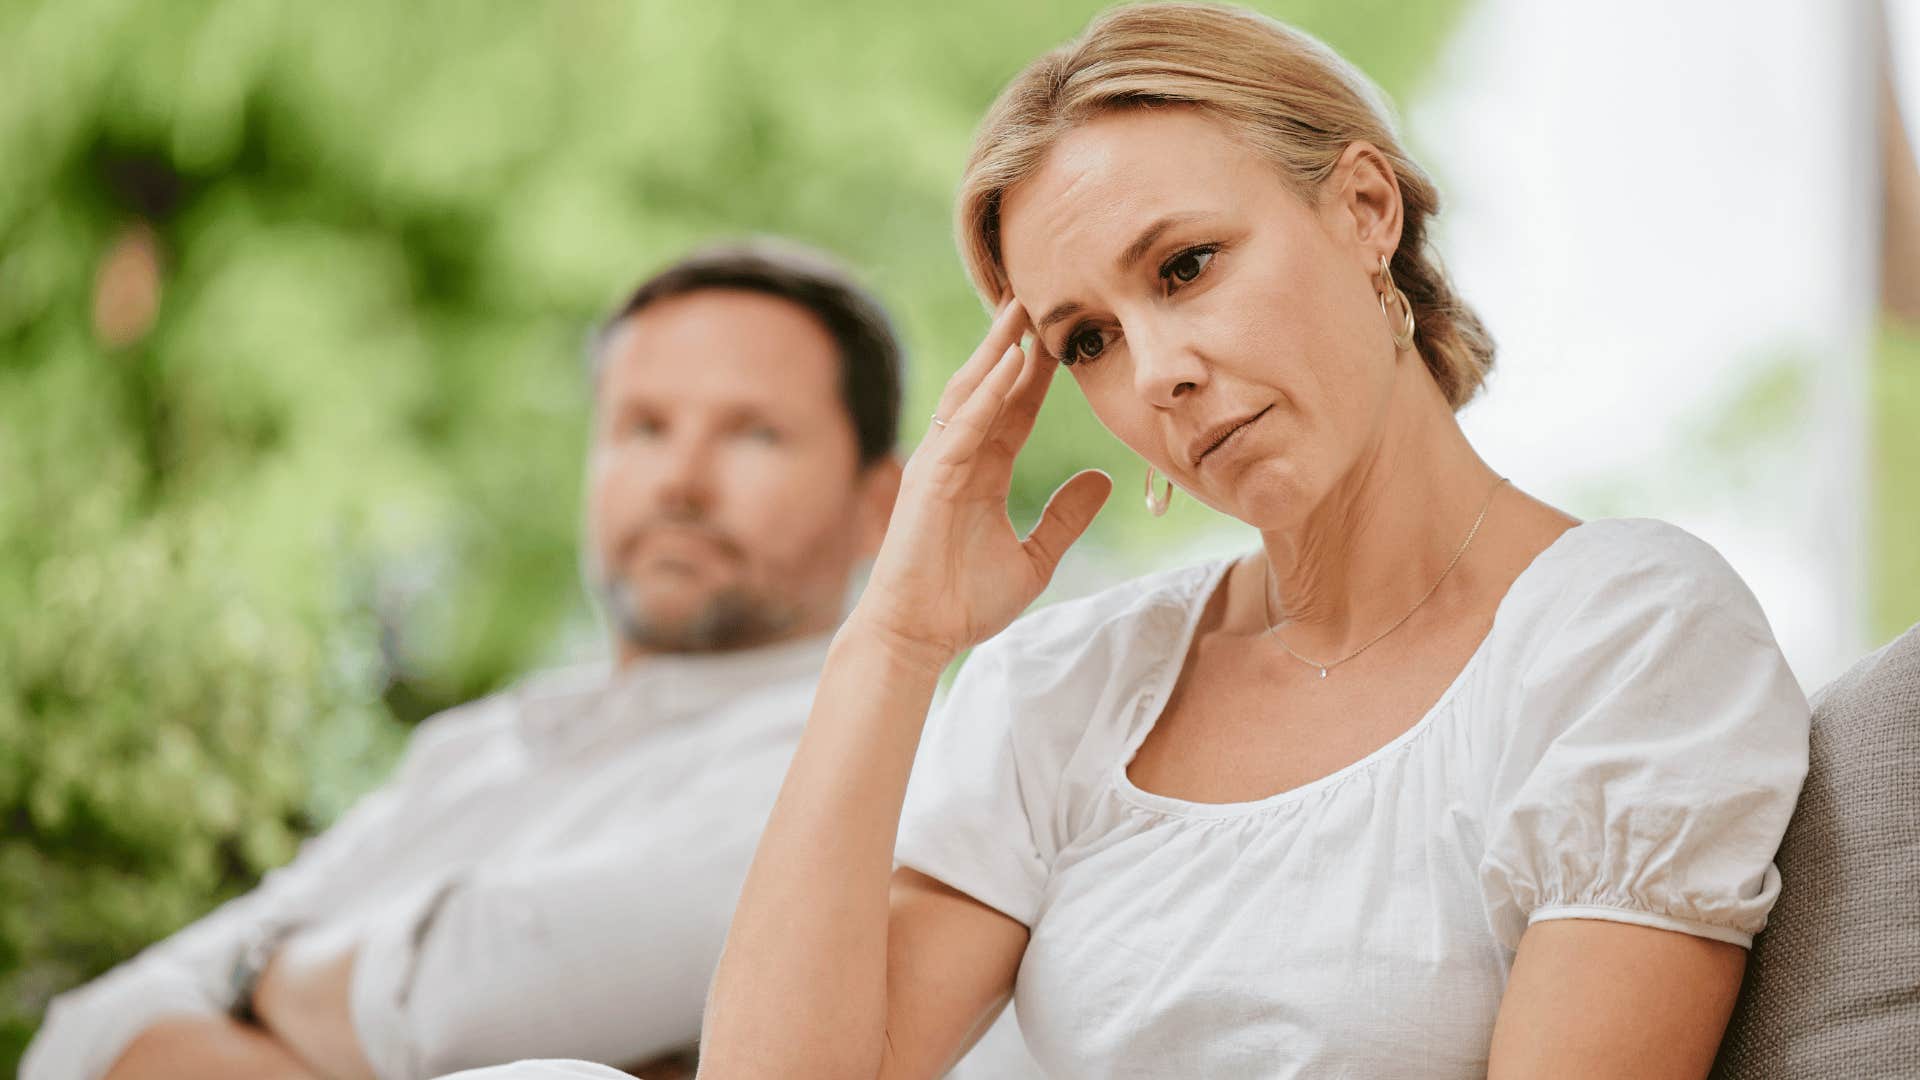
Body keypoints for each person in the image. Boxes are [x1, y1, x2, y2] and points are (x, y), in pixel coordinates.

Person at [447, 5, 1812, 1079]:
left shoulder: (1625, 634)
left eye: (1185, 267)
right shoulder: (1077, 686)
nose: (1152, 370)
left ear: (1363, 212)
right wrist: (896, 639)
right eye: (1086, 341)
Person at [21, 239, 910, 1080]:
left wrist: (250, 976)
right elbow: (76, 1039)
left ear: (881, 504)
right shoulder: (477, 746)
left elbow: (454, 1003)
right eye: (642, 427)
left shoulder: (862, 782)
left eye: (753, 433)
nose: (679, 479)